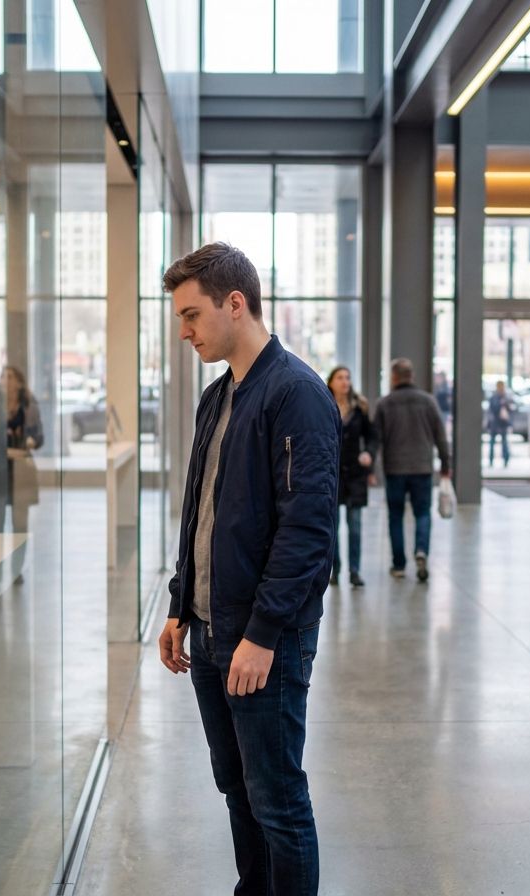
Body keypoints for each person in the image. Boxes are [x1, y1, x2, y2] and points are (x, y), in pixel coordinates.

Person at [158, 242, 339, 896]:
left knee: (278, 797)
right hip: (210, 629)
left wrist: (262, 634)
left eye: (192, 315)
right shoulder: (217, 398)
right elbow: (200, 511)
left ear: (236, 304)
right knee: (236, 787)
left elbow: (308, 531)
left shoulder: (297, 395)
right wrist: (180, 606)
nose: (184, 331)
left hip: (266, 639)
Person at [373, 358, 451, 582]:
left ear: (394, 378)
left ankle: (399, 565)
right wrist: (446, 464)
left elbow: (375, 439)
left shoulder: (384, 404)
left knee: (395, 516)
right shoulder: (428, 402)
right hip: (422, 468)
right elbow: (441, 437)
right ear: (412, 376)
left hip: (395, 469)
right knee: (423, 513)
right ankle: (421, 551)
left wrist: (372, 470)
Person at [326, 365, 377, 588]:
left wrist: (368, 454)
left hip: (355, 474)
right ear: (331, 382)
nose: (345, 381)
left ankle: (354, 571)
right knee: (332, 528)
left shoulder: (360, 408)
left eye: (347, 377)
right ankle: (335, 570)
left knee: (355, 527)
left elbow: (373, 437)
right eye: (340, 378)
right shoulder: (325, 405)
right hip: (332, 474)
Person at [0, 364, 43, 533]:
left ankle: (17, 559)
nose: (6, 381)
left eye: (10, 377)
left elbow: (39, 436)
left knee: (20, 522)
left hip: (21, 466)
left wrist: (32, 441)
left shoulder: (29, 406)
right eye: (3, 377)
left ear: (19, 382)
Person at [486, 380, 515, 468]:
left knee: (504, 443)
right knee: (493, 443)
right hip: (496, 423)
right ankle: (491, 460)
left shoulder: (505, 397)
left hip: (502, 423)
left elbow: (510, 409)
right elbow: (491, 410)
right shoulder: (495, 397)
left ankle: (505, 460)